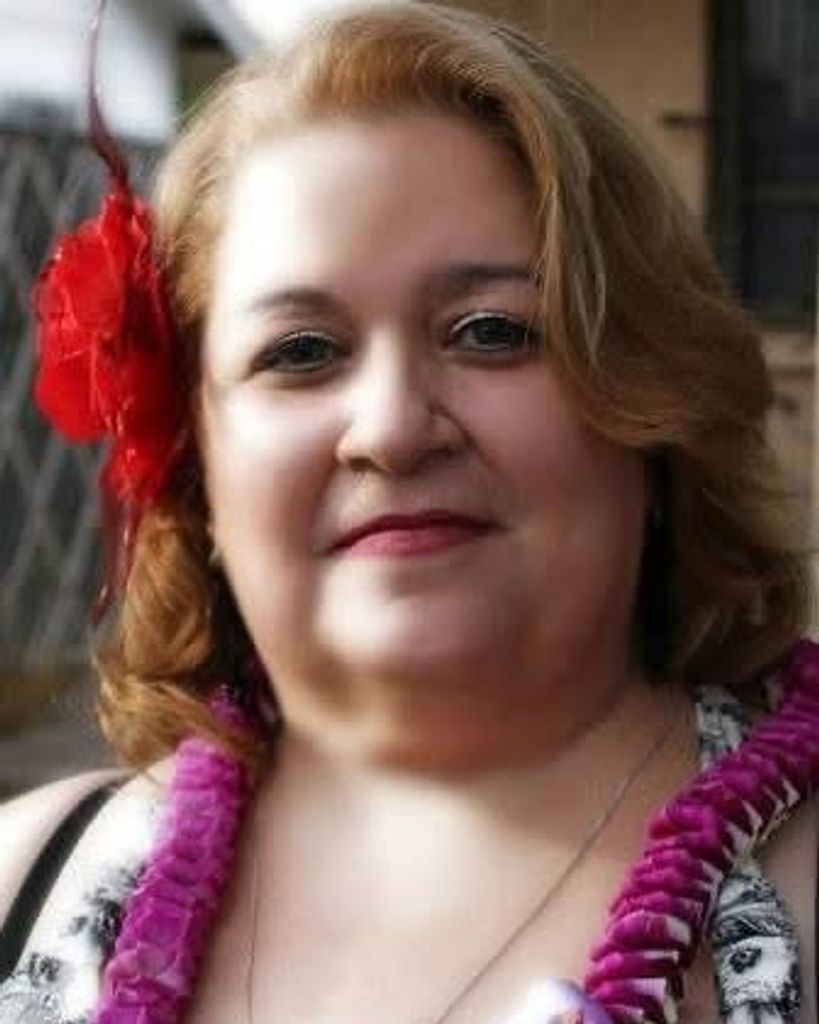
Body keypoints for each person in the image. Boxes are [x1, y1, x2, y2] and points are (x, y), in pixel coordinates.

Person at [0, 3, 816, 1023]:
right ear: (195, 462)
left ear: (652, 402)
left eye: (491, 332)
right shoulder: (21, 886)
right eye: (300, 352)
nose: (390, 429)